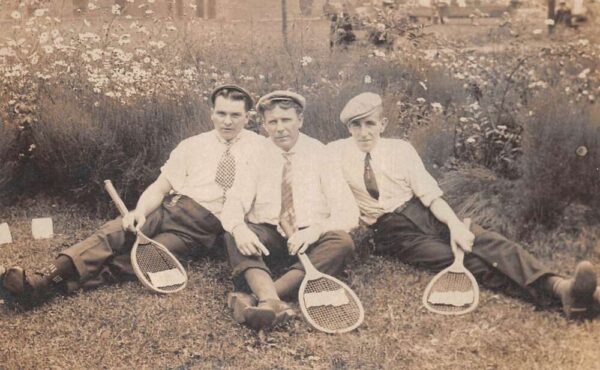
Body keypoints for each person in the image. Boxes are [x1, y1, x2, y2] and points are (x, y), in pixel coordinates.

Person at [327, 92, 600, 318]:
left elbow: (430, 196)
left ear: (382, 124)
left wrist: (455, 226)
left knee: (485, 241)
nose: (363, 133)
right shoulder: (335, 154)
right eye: (356, 125)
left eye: (369, 124)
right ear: (348, 128)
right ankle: (564, 293)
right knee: (460, 260)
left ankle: (564, 289)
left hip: (424, 212)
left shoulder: (400, 150)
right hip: (393, 233)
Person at [0, 85, 265, 309]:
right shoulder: (193, 145)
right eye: (221, 113)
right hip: (168, 208)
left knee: (136, 262)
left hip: (200, 229)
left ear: (248, 117)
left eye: (235, 115)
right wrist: (140, 212)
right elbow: (160, 188)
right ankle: (44, 278)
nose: (227, 121)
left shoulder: (261, 149)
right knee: (112, 233)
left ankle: (50, 288)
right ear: (212, 114)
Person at [221, 91, 359, 330]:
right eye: (273, 122)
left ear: (300, 121)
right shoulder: (254, 154)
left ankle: (261, 298)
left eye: (286, 120)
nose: (280, 128)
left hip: (309, 239)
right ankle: (273, 300)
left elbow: (348, 212)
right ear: (264, 125)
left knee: (343, 242)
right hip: (269, 237)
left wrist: (315, 230)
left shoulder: (321, 153)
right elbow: (234, 201)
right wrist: (239, 228)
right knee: (234, 233)